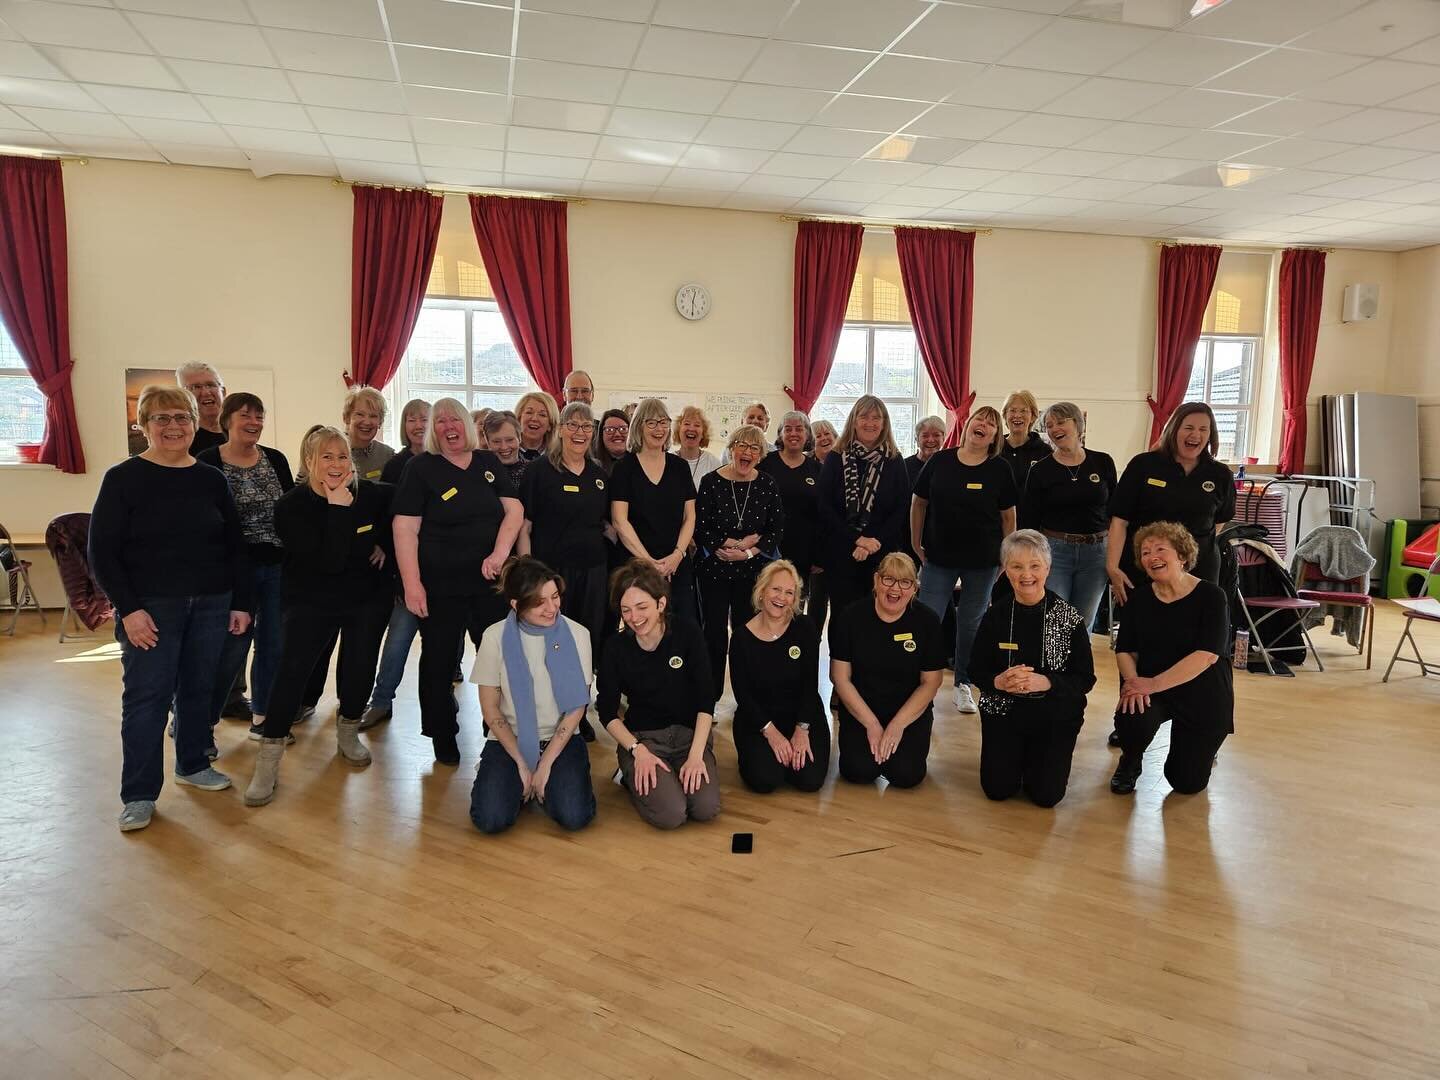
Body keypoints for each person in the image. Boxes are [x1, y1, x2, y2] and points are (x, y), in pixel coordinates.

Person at [91, 385, 250, 831]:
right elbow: (102, 553)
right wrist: (129, 609)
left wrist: (239, 602)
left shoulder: (210, 479)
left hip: (211, 603)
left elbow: (234, 546)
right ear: (142, 425)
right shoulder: (123, 478)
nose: (173, 427)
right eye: (161, 418)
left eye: (181, 417)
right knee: (147, 699)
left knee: (199, 688)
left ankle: (194, 763)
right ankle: (139, 793)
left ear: (196, 423)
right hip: (151, 609)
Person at [243, 427, 394, 805]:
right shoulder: (291, 506)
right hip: (311, 599)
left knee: (360, 667)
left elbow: (404, 513)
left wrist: (384, 543)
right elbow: (328, 560)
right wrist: (339, 510)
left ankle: (347, 732)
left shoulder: (372, 495)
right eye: (326, 456)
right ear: (309, 461)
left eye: (342, 456)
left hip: (365, 598)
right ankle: (269, 758)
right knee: (292, 673)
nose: (336, 464)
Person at [393, 397, 523, 764]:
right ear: (433, 430)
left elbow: (513, 510)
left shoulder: (486, 462)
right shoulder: (421, 468)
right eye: (440, 421)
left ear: (469, 424)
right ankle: (442, 734)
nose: (449, 426)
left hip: (489, 584)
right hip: (440, 586)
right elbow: (405, 528)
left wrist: (499, 555)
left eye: (455, 419)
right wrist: (412, 584)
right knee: (438, 660)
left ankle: (496, 725)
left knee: (497, 657)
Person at [467, 557, 596, 834]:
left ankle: (540, 786)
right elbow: (491, 711)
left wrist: (546, 763)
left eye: (555, 597)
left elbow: (577, 709)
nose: (552, 609)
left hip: (561, 737)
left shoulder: (579, 634)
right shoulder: (494, 636)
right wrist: (522, 764)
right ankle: (520, 783)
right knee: (490, 820)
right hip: (510, 738)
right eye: (539, 602)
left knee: (575, 816)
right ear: (516, 604)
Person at [970, 530, 1095, 808]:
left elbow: (1085, 679)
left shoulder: (1068, 618)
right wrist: (999, 681)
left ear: (1048, 569)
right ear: (1006, 570)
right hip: (1004, 711)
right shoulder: (995, 616)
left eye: (1035, 566)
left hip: (1054, 715)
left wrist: (1046, 682)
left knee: (1046, 796)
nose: (1026, 574)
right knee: (997, 790)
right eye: (1017, 566)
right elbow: (976, 669)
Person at [195, 392, 294, 743]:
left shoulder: (275, 460)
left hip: (277, 566)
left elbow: (291, 510)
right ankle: (201, 723)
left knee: (274, 644)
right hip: (234, 568)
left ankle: (263, 717)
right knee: (231, 649)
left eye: (259, 415)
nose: (254, 422)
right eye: (245, 415)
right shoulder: (207, 462)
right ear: (227, 421)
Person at [1110, 522, 1233, 796]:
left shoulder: (1212, 597)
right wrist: (1133, 683)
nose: (1151, 556)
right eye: (1145, 552)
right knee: (1133, 714)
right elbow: (1125, 650)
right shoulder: (1138, 600)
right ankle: (1130, 760)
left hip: (1203, 690)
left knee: (1186, 783)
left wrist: (1151, 684)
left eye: (1160, 549)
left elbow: (1207, 655)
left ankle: (1202, 751)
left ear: (1182, 556)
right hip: (1152, 687)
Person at [911, 405, 1018, 714]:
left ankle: (963, 684)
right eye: (978, 419)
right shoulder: (941, 461)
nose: (983, 424)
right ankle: (921, 683)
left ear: (995, 435)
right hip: (939, 556)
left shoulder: (1000, 469)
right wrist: (916, 543)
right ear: (967, 425)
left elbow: (1008, 517)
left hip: (983, 560)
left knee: (971, 624)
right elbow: (918, 503)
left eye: (991, 422)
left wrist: (1006, 556)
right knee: (929, 618)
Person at [597, 560, 719, 829]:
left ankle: (672, 774)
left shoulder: (687, 633)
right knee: (672, 815)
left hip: (689, 737)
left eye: (642, 607)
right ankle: (629, 773)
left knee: (704, 808)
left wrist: (697, 755)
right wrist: (637, 751)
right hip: (644, 741)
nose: (634, 617)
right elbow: (606, 711)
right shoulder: (616, 647)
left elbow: (705, 699)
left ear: (661, 604)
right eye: (626, 610)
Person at [829, 553, 943, 789]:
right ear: (876, 580)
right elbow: (839, 677)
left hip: (908, 711)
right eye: (888, 579)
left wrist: (897, 725)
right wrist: (871, 724)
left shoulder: (927, 621)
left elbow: (931, 682)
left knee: (906, 775)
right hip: (862, 708)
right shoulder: (851, 617)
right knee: (858, 771)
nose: (895, 589)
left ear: (914, 588)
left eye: (905, 582)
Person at [1108, 401, 1236, 601]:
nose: (1196, 435)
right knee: (1145, 627)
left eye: (1203, 429)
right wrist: (1112, 566)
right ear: (1174, 429)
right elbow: (1119, 520)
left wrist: (1187, 550)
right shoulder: (1143, 465)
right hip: (1146, 568)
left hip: (1199, 570)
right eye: (1189, 428)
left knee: (1195, 629)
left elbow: (1219, 521)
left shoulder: (1220, 474)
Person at [517, 402, 610, 675]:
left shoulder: (599, 475)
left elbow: (608, 525)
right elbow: (524, 527)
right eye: (572, 425)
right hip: (552, 572)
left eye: (586, 426)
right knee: (553, 638)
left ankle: (578, 708)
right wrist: (528, 573)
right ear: (559, 430)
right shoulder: (539, 471)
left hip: (593, 571)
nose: (579, 432)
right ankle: (552, 706)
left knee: (588, 637)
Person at [694, 424, 784, 699]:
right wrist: (731, 544)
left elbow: (776, 528)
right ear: (731, 449)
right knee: (715, 634)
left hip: (752, 571)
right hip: (715, 569)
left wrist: (748, 552)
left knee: (747, 632)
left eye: (754, 447)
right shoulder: (711, 481)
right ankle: (710, 697)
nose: (747, 452)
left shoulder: (767, 483)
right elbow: (701, 525)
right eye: (742, 446)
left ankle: (747, 695)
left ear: (760, 455)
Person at [356, 399, 431, 730]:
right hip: (406, 567)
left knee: (446, 644)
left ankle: (443, 695)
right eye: (411, 419)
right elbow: (384, 515)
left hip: (445, 569)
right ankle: (382, 699)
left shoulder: (447, 461)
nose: (418, 425)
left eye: (425, 419)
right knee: (399, 637)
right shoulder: (396, 464)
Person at [728, 560, 830, 794]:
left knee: (809, 780)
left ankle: (789, 754)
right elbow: (743, 695)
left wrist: (802, 730)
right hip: (759, 721)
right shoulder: (742, 638)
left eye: (789, 592)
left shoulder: (805, 627)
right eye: (776, 589)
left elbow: (809, 684)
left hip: (801, 715)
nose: (781, 598)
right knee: (766, 780)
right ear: (762, 591)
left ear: (795, 599)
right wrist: (772, 734)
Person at [1019, 401, 1117, 631]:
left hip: (1096, 553)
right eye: (1049, 425)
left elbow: (1116, 512)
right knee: (1055, 619)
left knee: (1084, 621)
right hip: (1055, 551)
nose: (1054, 429)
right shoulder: (1040, 470)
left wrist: (1113, 553)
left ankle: (1079, 667)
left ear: (1078, 425)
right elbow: (1029, 520)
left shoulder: (1102, 462)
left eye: (1061, 422)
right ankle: (1052, 668)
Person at [817, 395, 910, 617]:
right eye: (864, 416)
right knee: (843, 615)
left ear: (884, 423)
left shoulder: (895, 461)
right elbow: (824, 505)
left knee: (878, 615)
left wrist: (873, 542)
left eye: (876, 417)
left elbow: (902, 507)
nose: (870, 423)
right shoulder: (836, 458)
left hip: (881, 552)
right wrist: (857, 539)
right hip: (841, 552)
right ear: (854, 421)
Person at [610, 397, 698, 623]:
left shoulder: (679, 467)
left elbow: (690, 516)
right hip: (636, 564)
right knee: (642, 625)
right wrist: (648, 562)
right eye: (651, 423)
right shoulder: (624, 468)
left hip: (676, 563)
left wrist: (677, 555)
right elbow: (620, 521)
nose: (659, 429)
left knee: (681, 626)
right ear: (639, 426)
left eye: (663, 422)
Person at [758, 410, 822, 618]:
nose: (794, 433)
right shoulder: (766, 464)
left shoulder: (817, 469)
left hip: (804, 552)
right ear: (780, 435)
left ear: (807, 435)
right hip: (767, 549)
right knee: (764, 605)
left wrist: (819, 556)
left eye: (799, 429)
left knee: (794, 608)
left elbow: (822, 515)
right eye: (788, 429)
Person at [344, 384, 394, 480]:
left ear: (380, 422)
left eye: (373, 416)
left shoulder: (388, 456)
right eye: (360, 414)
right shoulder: (330, 451)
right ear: (346, 418)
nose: (367, 422)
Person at [176, 361, 227, 455]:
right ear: (183, 396)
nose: (206, 392)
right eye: (196, 387)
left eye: (211, 385)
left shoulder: (238, 434)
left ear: (223, 392)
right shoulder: (179, 440)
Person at [1000, 390, 1048, 484]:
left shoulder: (1045, 452)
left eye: (1023, 411)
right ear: (1005, 415)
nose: (1017, 415)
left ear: (1033, 417)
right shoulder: (993, 449)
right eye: (1012, 410)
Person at [674, 404, 721, 491]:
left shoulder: (713, 463)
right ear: (678, 430)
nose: (691, 428)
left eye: (697, 425)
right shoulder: (667, 461)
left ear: (703, 433)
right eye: (687, 423)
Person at [483, 410, 529, 491]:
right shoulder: (479, 471)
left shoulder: (533, 471)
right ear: (487, 441)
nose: (504, 447)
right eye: (496, 441)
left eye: (510, 440)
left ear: (519, 438)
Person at [516, 390, 558, 460]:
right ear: (519, 418)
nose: (534, 419)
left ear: (550, 425)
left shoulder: (557, 457)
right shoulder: (505, 450)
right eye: (529, 412)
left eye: (542, 415)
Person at [592, 409, 630, 476]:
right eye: (610, 430)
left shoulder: (641, 464)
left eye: (623, 429)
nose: (617, 434)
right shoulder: (592, 466)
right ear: (601, 434)